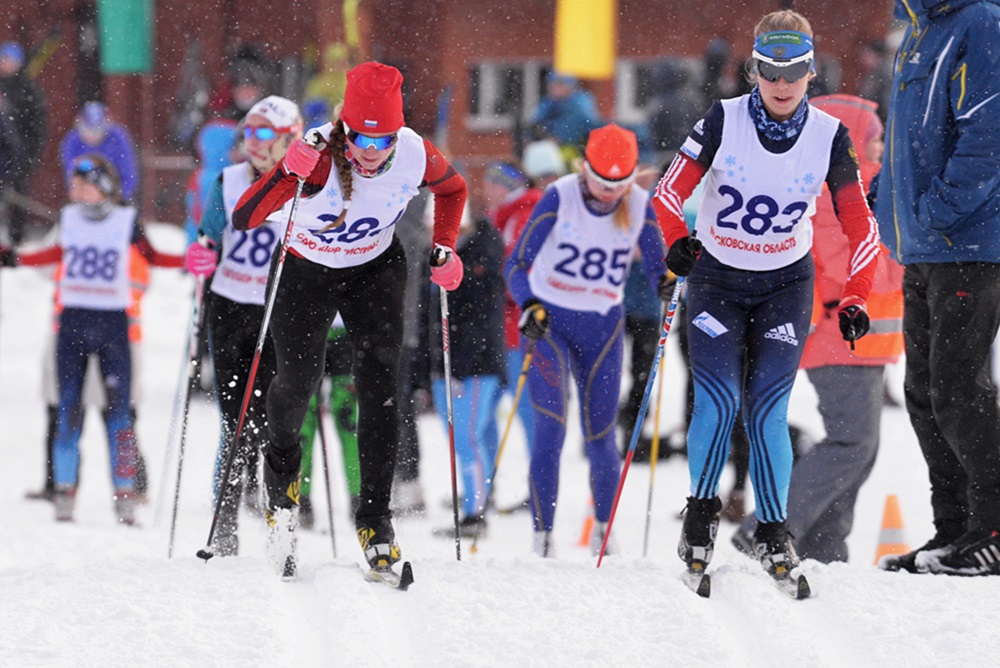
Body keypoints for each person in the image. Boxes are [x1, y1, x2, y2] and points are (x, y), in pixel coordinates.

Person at [652, 10, 880, 584]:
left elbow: (863, 227)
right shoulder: (723, 119)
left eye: (795, 71)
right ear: (754, 71)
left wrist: (855, 296)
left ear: (811, 72)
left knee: (768, 412)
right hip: (718, 282)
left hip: (785, 284)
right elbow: (666, 191)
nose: (782, 85)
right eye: (770, 71)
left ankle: (776, 534)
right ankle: (701, 518)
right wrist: (678, 241)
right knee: (721, 400)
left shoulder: (829, 136)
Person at [231, 61, 467, 575]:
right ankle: (281, 494)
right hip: (305, 270)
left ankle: (376, 519)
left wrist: (446, 247)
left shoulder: (414, 152)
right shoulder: (316, 155)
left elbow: (453, 190)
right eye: (360, 138)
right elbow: (245, 217)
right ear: (345, 126)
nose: (370, 151)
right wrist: (285, 173)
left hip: (373, 269)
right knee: (297, 382)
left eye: (382, 141)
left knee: (381, 389)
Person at [733, 94, 902, 563]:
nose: (882, 146)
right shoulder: (841, 195)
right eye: (874, 137)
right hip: (842, 338)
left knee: (857, 451)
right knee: (851, 445)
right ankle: (768, 527)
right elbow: (858, 265)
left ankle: (825, 547)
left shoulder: (859, 187)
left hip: (862, 343)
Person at [873, 0, 1000, 576]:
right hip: (926, 245)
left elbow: (988, 135)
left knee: (958, 387)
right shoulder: (922, 30)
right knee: (925, 390)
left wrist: (937, 210)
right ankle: (954, 529)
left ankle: (992, 528)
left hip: (970, 244)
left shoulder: (981, 23)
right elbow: (914, 139)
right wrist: (888, 199)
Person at [505, 123, 668, 557]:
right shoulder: (560, 194)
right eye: (600, 182)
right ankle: (543, 535)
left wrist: (669, 282)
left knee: (601, 435)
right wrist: (528, 305)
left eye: (619, 183)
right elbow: (517, 266)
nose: (609, 192)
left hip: (602, 328)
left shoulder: (639, 203)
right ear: (584, 169)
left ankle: (603, 528)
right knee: (551, 428)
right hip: (550, 325)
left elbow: (657, 271)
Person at [1, 154, 182, 523]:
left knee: (120, 416)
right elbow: (56, 254)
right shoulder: (69, 218)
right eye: (73, 185)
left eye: (83, 185)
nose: (75, 191)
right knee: (68, 409)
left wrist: (192, 261)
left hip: (113, 322)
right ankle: (65, 491)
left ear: (102, 188)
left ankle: (125, 492)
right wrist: (16, 259)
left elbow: (152, 258)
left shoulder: (125, 220)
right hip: (73, 319)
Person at [183, 95, 304, 556]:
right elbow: (209, 233)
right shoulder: (229, 180)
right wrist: (202, 253)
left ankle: (279, 517)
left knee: (279, 422)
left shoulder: (303, 186)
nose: (251, 143)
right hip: (233, 307)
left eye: (263, 134)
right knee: (235, 422)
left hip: (283, 312)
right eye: (247, 133)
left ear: (289, 138)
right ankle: (226, 522)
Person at [428, 202, 506, 537]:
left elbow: (480, 318)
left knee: (468, 438)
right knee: (462, 439)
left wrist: (460, 363)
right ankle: (475, 499)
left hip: (473, 367)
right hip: (447, 365)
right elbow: (430, 314)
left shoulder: (481, 257)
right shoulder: (438, 255)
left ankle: (476, 512)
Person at [0, 41, 46, 246]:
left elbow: (38, 128)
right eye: (3, 60)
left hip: (19, 156)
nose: (6, 64)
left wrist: (28, 157)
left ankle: (16, 241)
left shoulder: (29, 90)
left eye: (10, 60)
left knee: (18, 200)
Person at [60, 102, 140, 202]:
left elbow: (128, 173)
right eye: (88, 131)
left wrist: (120, 198)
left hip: (115, 196)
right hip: (84, 201)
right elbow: (71, 174)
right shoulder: (72, 140)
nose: (93, 136)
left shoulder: (119, 138)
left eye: (98, 131)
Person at [528, 72, 602, 157]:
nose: (556, 89)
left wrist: (560, 138)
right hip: (553, 149)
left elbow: (582, 123)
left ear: (571, 87)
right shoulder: (548, 103)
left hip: (577, 147)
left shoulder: (580, 103)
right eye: (553, 85)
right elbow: (534, 122)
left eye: (560, 85)